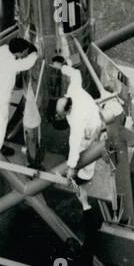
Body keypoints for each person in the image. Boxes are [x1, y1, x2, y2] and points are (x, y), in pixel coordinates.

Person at [0, 36, 37, 153]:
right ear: (18, 52)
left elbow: (19, 59)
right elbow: (27, 63)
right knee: (0, 120)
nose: (25, 54)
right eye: (24, 53)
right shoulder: (11, 64)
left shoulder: (3, 50)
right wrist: (35, 53)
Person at [55, 62, 104, 200]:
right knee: (79, 149)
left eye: (60, 114)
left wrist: (70, 167)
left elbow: (75, 141)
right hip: (91, 113)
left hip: (91, 126)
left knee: (85, 147)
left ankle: (86, 175)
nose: (59, 117)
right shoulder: (73, 90)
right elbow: (76, 74)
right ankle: (77, 163)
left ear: (68, 110)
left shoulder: (77, 118)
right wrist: (63, 68)